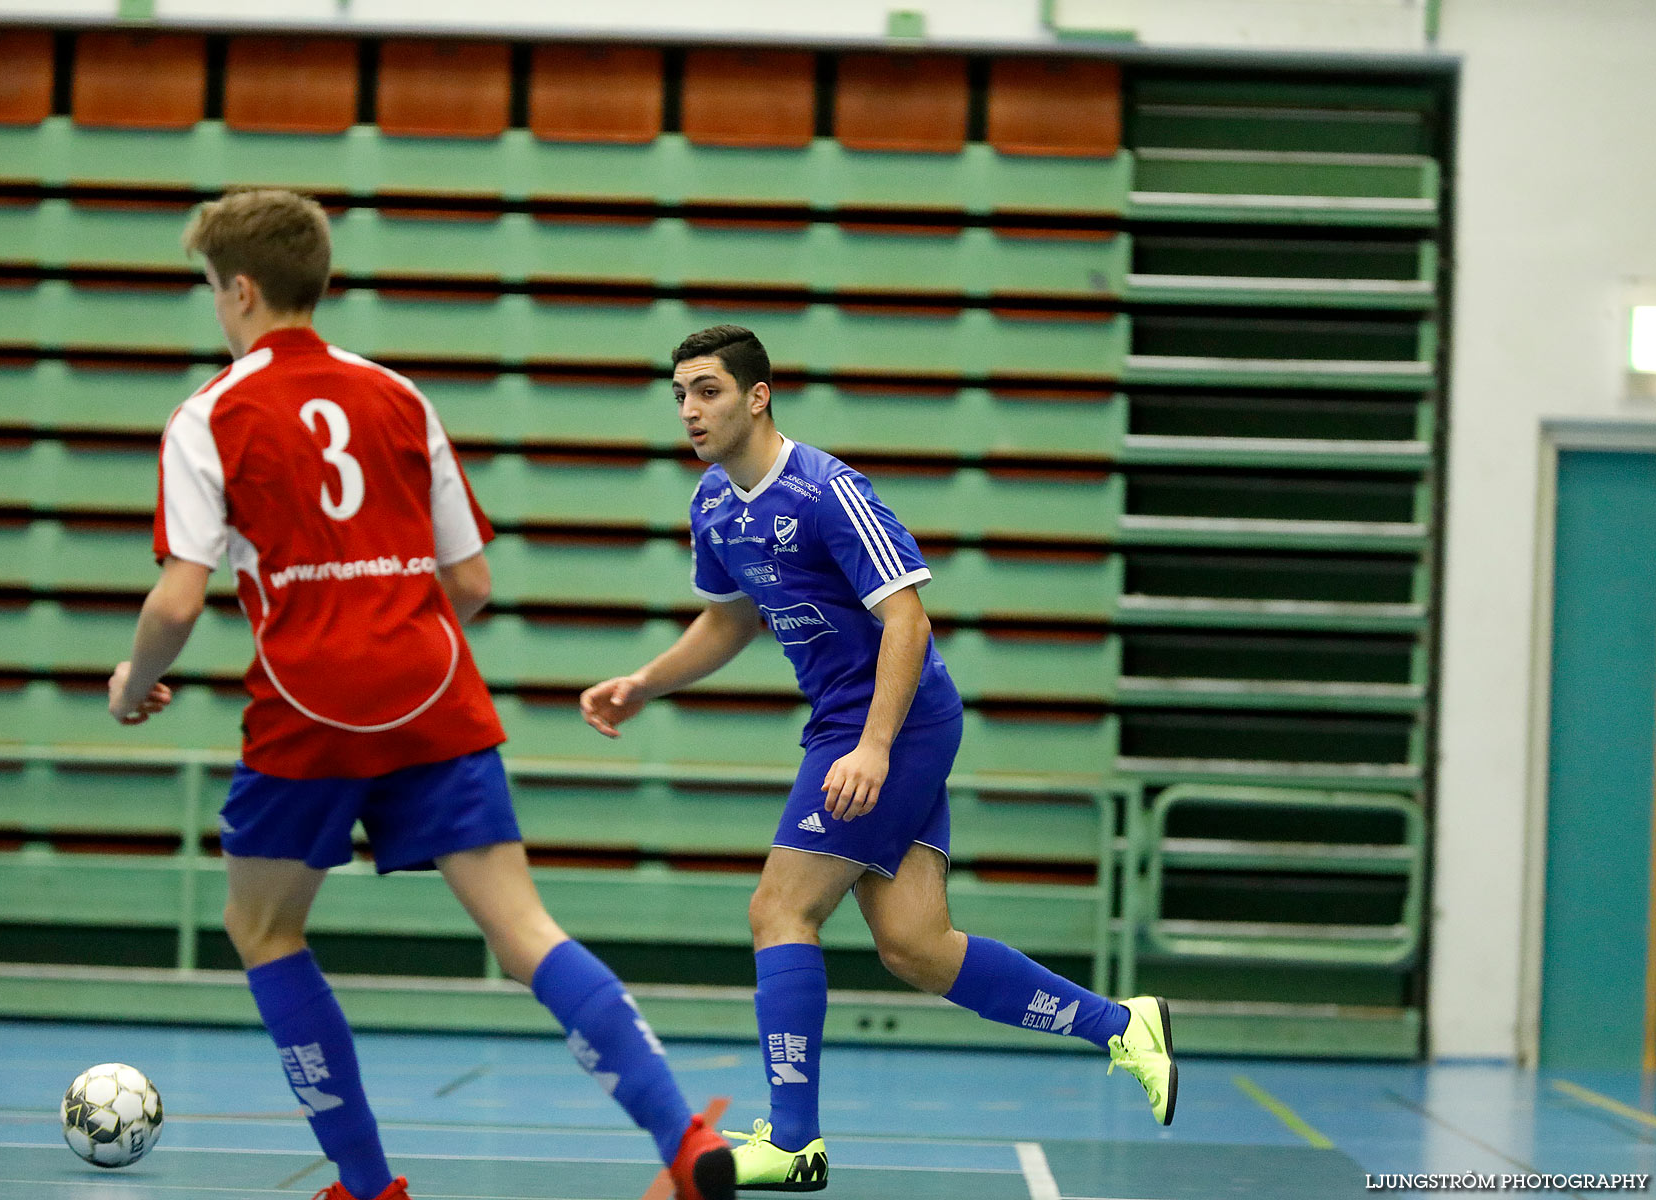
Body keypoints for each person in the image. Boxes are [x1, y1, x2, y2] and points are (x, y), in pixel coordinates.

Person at [107, 189, 735, 1200]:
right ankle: (683, 1138)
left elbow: (181, 596)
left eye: (214, 293)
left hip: (308, 701)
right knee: (524, 928)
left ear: (241, 291)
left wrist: (134, 684)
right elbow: (473, 583)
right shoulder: (398, 395)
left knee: (265, 927)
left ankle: (367, 1185)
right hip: (431, 685)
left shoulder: (209, 413)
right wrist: (391, 627)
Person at [579, 325, 1178, 1192]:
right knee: (917, 947)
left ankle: (793, 1143)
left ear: (757, 396)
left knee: (779, 909)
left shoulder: (828, 490)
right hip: (849, 723)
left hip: (892, 724)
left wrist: (873, 745)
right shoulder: (714, 503)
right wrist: (643, 683)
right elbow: (730, 618)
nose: (689, 410)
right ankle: (1125, 1026)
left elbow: (908, 618)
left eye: (706, 390)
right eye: (678, 394)